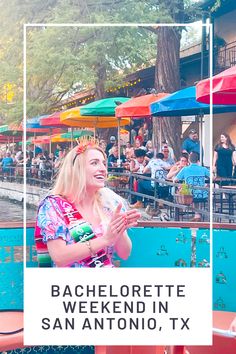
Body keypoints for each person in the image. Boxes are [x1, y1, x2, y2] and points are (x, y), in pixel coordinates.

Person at [35, 138, 140, 268]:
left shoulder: (110, 203)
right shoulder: (54, 206)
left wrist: (119, 228)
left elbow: (124, 254)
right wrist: (105, 240)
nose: (103, 169)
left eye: (103, 163)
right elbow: (59, 257)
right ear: (76, 169)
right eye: (94, 163)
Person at [174, 152, 210, 221]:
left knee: (179, 191)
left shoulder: (185, 169)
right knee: (199, 192)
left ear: (189, 160)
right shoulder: (203, 169)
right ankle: (197, 214)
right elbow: (213, 177)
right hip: (202, 195)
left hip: (188, 196)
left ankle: (181, 215)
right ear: (198, 161)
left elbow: (175, 180)